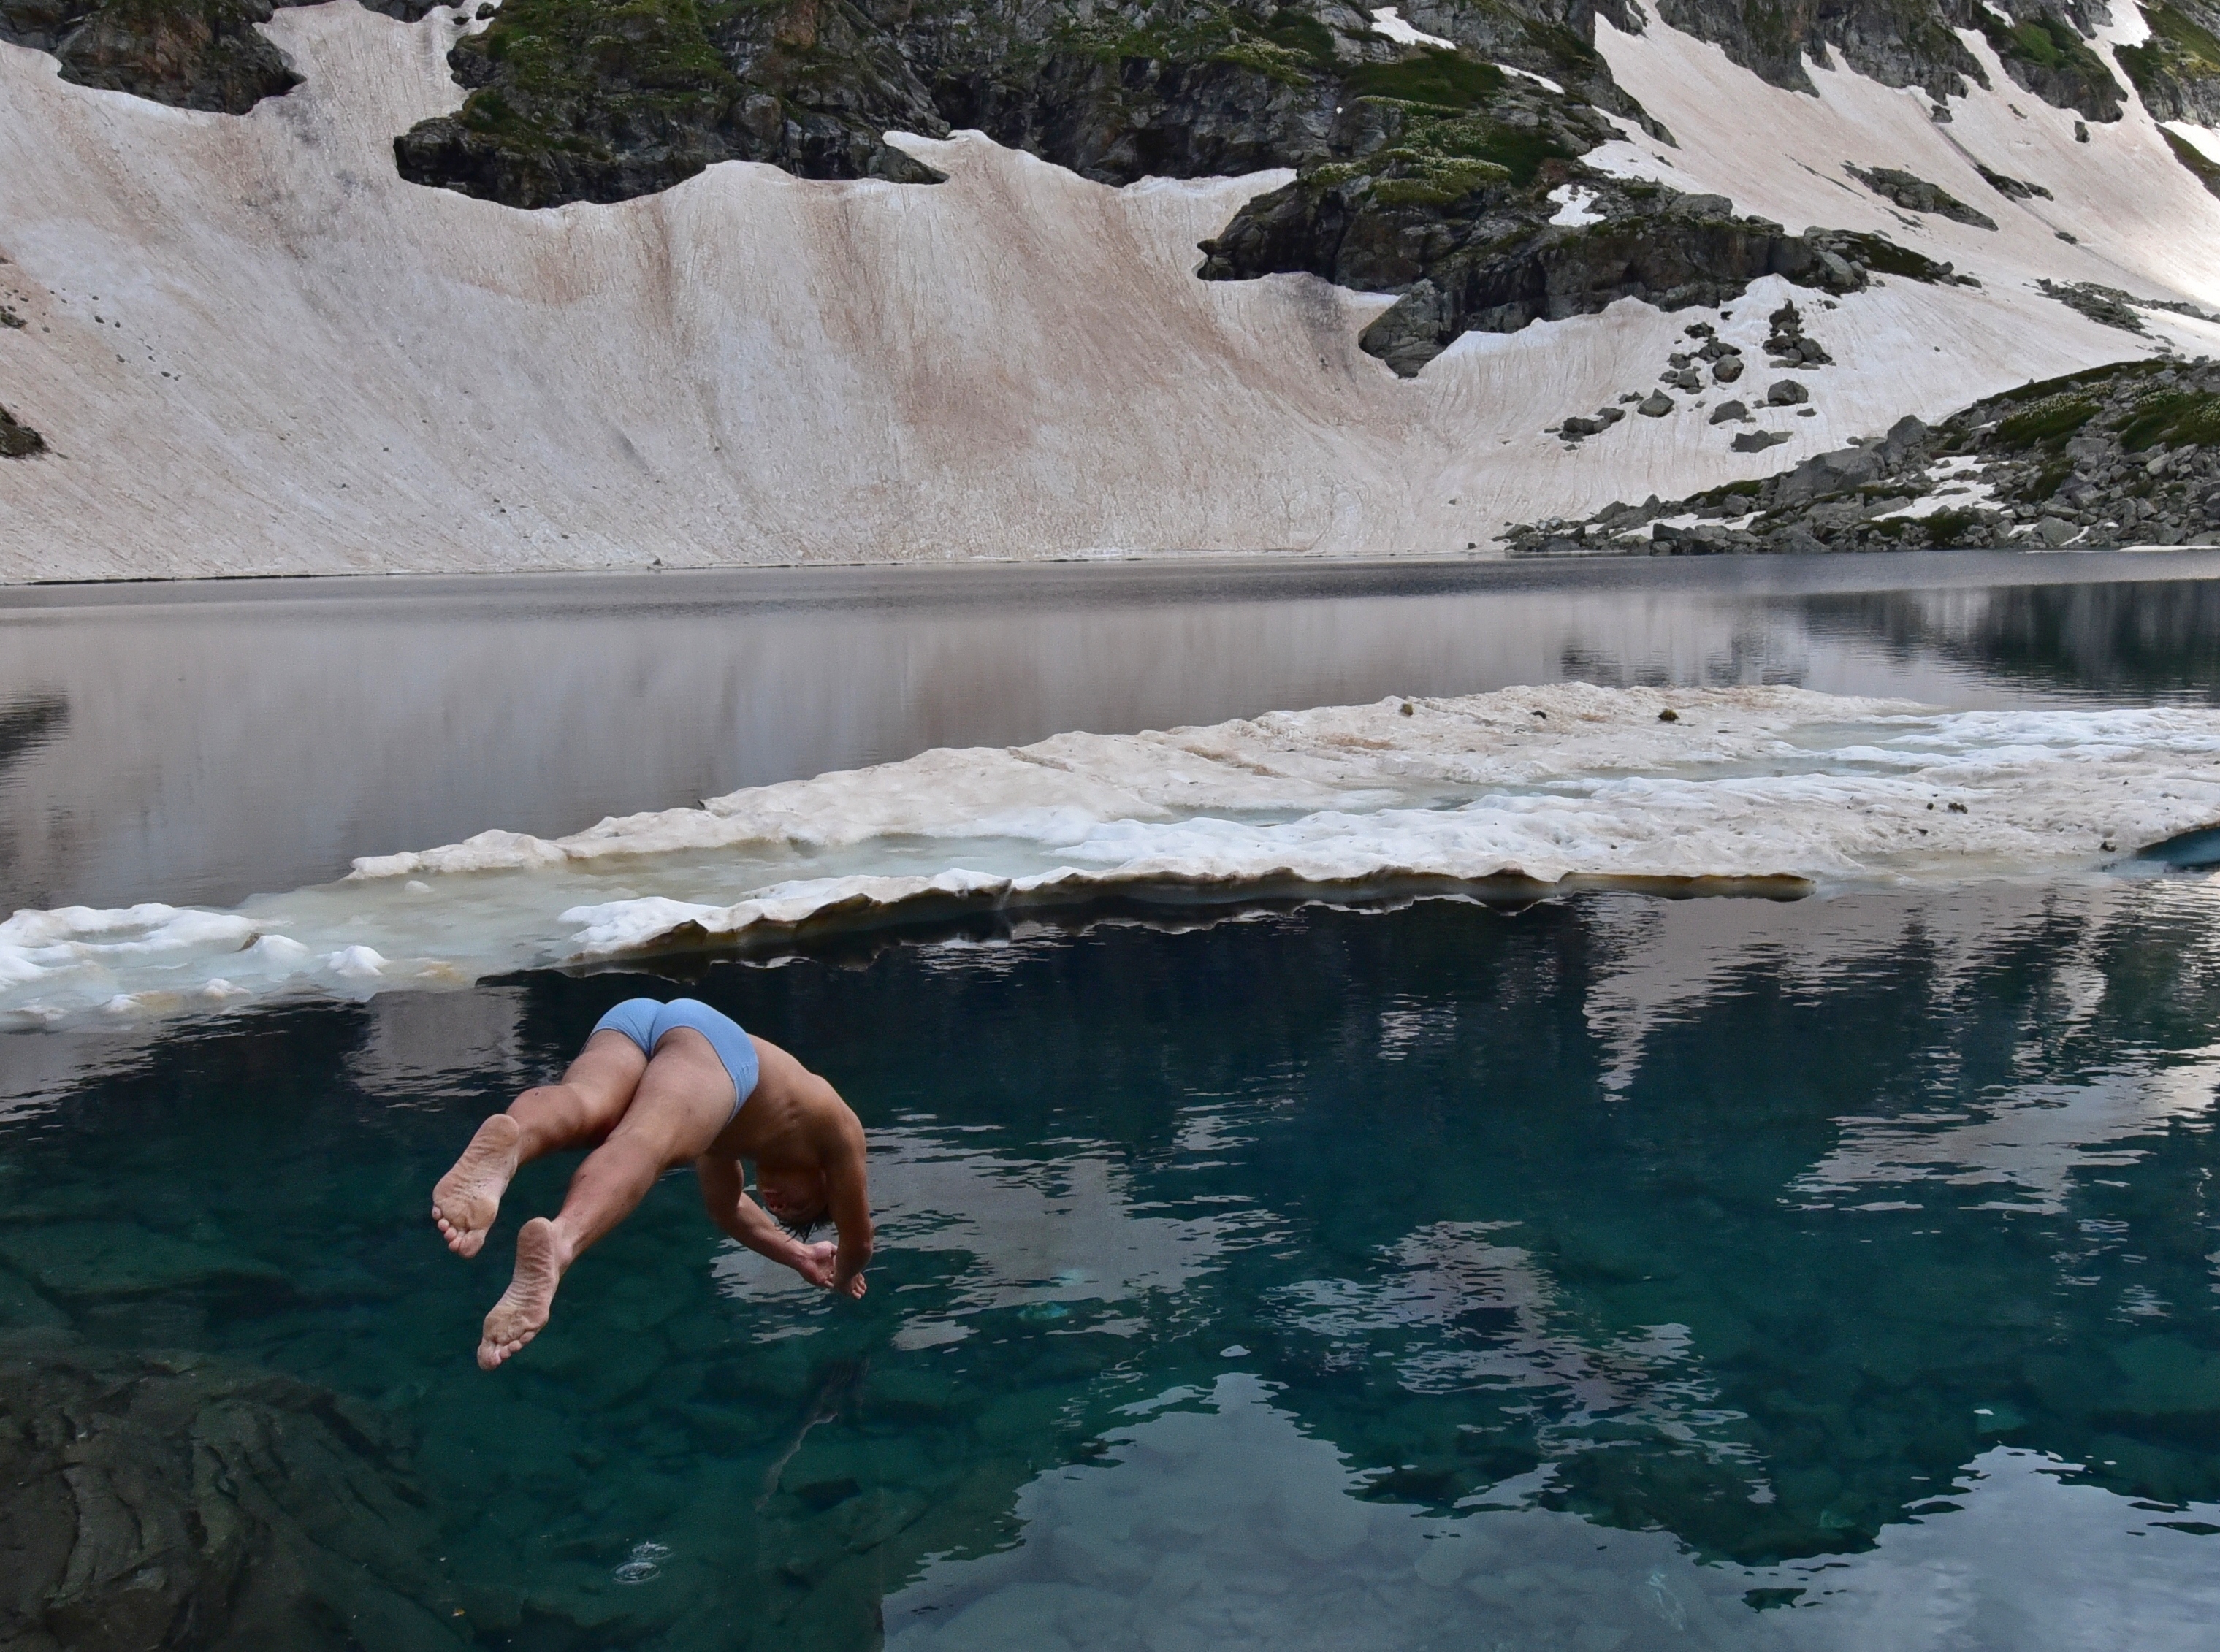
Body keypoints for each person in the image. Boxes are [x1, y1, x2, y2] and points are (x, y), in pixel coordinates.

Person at [431, 997, 872, 1369]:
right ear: (824, 1182)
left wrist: (798, 1256)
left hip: (641, 1020)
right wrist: (843, 1276)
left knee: (588, 1107)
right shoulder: (839, 1131)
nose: (778, 1207)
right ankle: (561, 1241)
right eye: (799, 1208)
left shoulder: (728, 1137)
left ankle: (507, 1152)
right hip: (718, 1045)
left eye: (782, 1214)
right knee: (645, 1140)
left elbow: (729, 1210)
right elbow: (860, 1242)